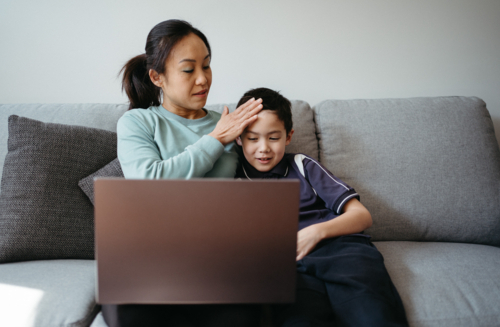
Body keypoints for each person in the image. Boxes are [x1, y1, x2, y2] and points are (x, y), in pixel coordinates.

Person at [102, 20, 263, 327]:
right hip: (147, 260)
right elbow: (149, 184)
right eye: (189, 70)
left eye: (207, 66)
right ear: (156, 77)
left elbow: (259, 186)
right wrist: (215, 140)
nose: (203, 79)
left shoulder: (230, 123)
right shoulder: (138, 123)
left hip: (216, 261)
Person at [234, 88, 409, 327]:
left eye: (273, 138)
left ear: (288, 136)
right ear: (238, 137)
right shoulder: (233, 178)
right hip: (292, 265)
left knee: (372, 316)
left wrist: (316, 232)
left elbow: (362, 216)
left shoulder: (302, 165)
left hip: (342, 251)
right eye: (253, 138)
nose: (263, 148)